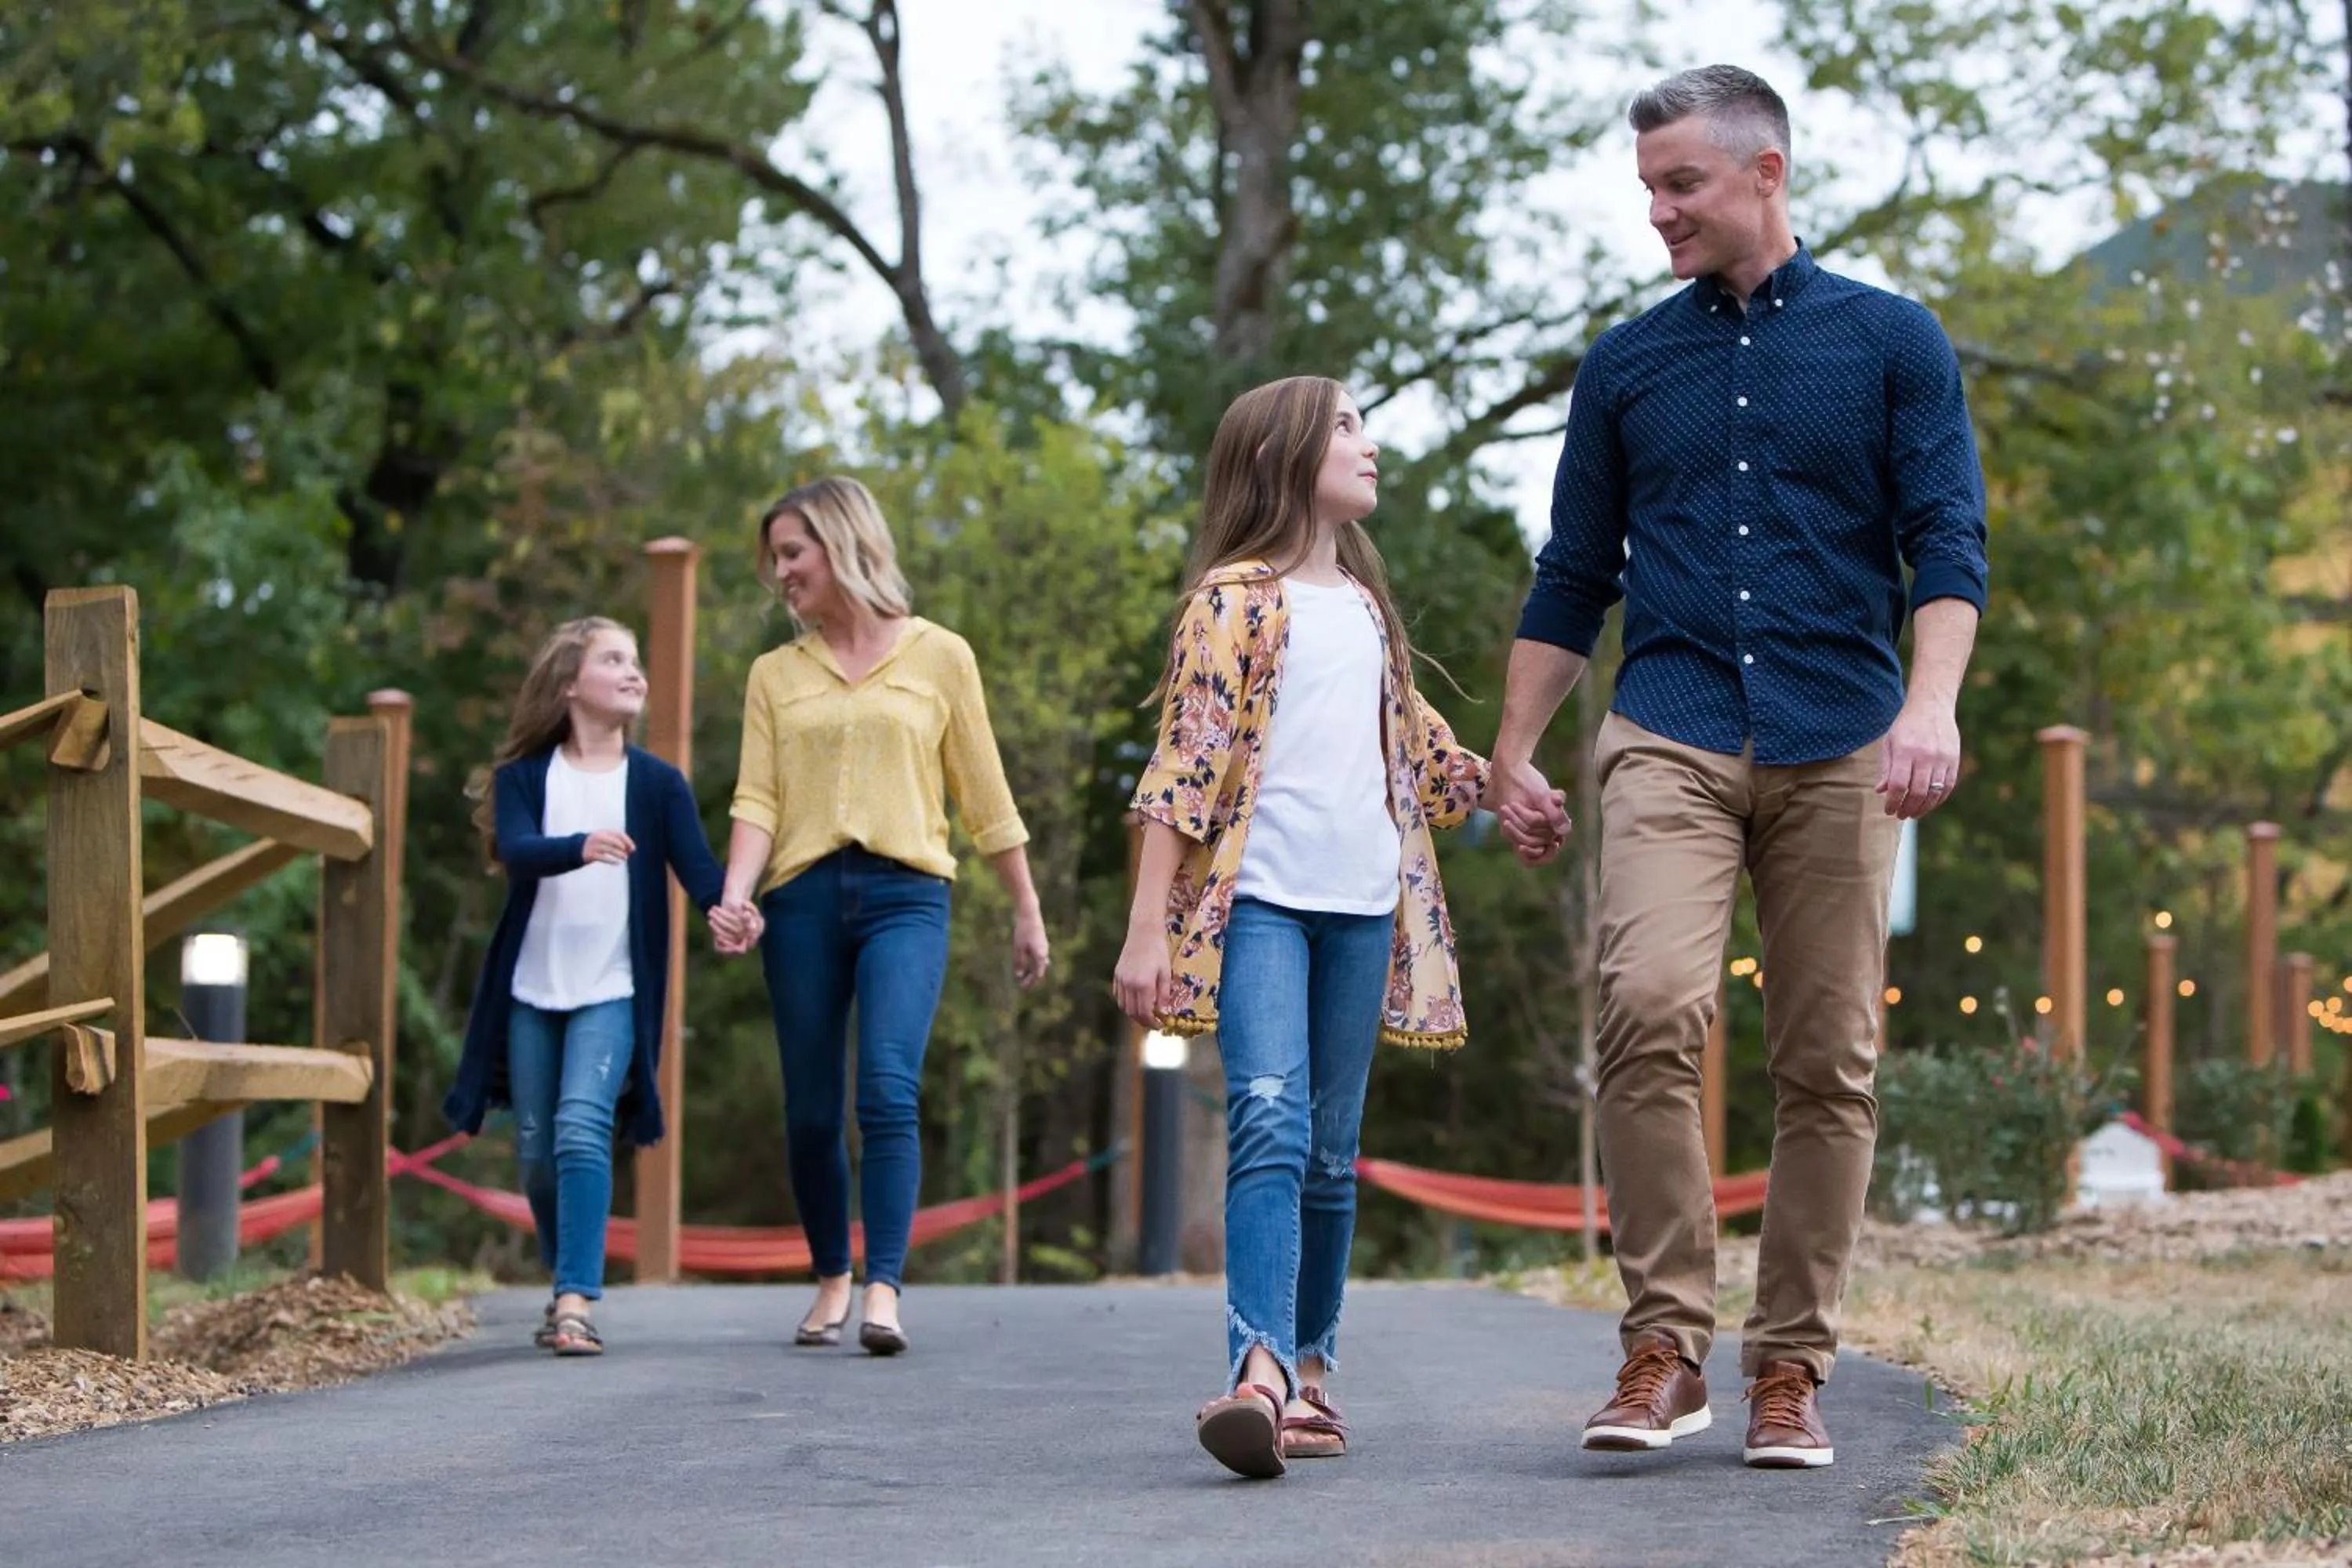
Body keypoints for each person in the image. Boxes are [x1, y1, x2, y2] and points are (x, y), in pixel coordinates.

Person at [1487, 64, 1988, 1468]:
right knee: (1646, 1003)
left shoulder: (1894, 343)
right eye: (1648, 189)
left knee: (1829, 1059)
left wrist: (1931, 705)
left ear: (1766, 172)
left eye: (1681, 185)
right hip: (1673, 721)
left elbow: (1946, 544)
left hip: (1844, 736)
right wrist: (1513, 751)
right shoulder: (1629, 363)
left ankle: (1790, 1369)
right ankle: (1662, 1348)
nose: (1659, 213)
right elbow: (1575, 571)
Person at [1115, 376, 1491, 1480]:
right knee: (1269, 1123)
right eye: (1345, 428)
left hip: (1367, 905)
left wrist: (1507, 789)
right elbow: (1182, 771)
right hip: (1265, 905)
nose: (1367, 448)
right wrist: (1146, 930)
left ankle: (1312, 1374)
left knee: (1332, 1156)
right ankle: (1260, 1372)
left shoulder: (1370, 613)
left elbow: (1420, 756)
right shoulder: (1231, 602)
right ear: (1284, 455)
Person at [720, 475, 1050, 1358]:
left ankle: (884, 1287)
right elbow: (756, 796)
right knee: (813, 1108)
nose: (781, 574)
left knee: (888, 1088)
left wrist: (1026, 906)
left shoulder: (941, 655)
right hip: (801, 900)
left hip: (908, 895)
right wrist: (737, 891)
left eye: (792, 554)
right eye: (776, 559)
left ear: (841, 545)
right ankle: (832, 1272)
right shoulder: (775, 675)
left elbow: (984, 792)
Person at [445, 616, 756, 1356]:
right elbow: (519, 852)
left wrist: (736, 913)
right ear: (568, 684)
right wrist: (580, 846)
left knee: (583, 1127)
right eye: (614, 659)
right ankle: (568, 1273)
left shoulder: (656, 785)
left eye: (637, 660)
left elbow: (703, 878)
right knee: (532, 1150)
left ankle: (576, 1299)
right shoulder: (526, 780)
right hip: (530, 991)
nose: (634, 671)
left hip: (614, 989)